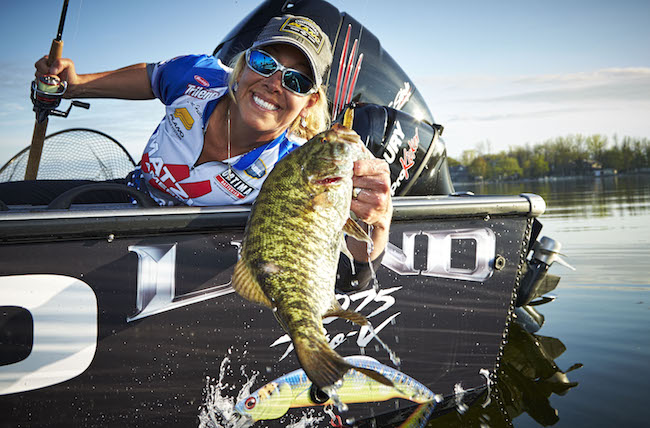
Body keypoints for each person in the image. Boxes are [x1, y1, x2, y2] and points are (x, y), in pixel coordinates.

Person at [24, 14, 392, 288]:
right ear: (243, 62)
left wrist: (378, 219)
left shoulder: (298, 167)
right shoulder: (197, 75)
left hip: (192, 255)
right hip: (128, 198)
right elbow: (153, 77)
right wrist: (76, 86)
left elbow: (355, 258)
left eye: (295, 79)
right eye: (266, 62)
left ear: (310, 102)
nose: (274, 83)